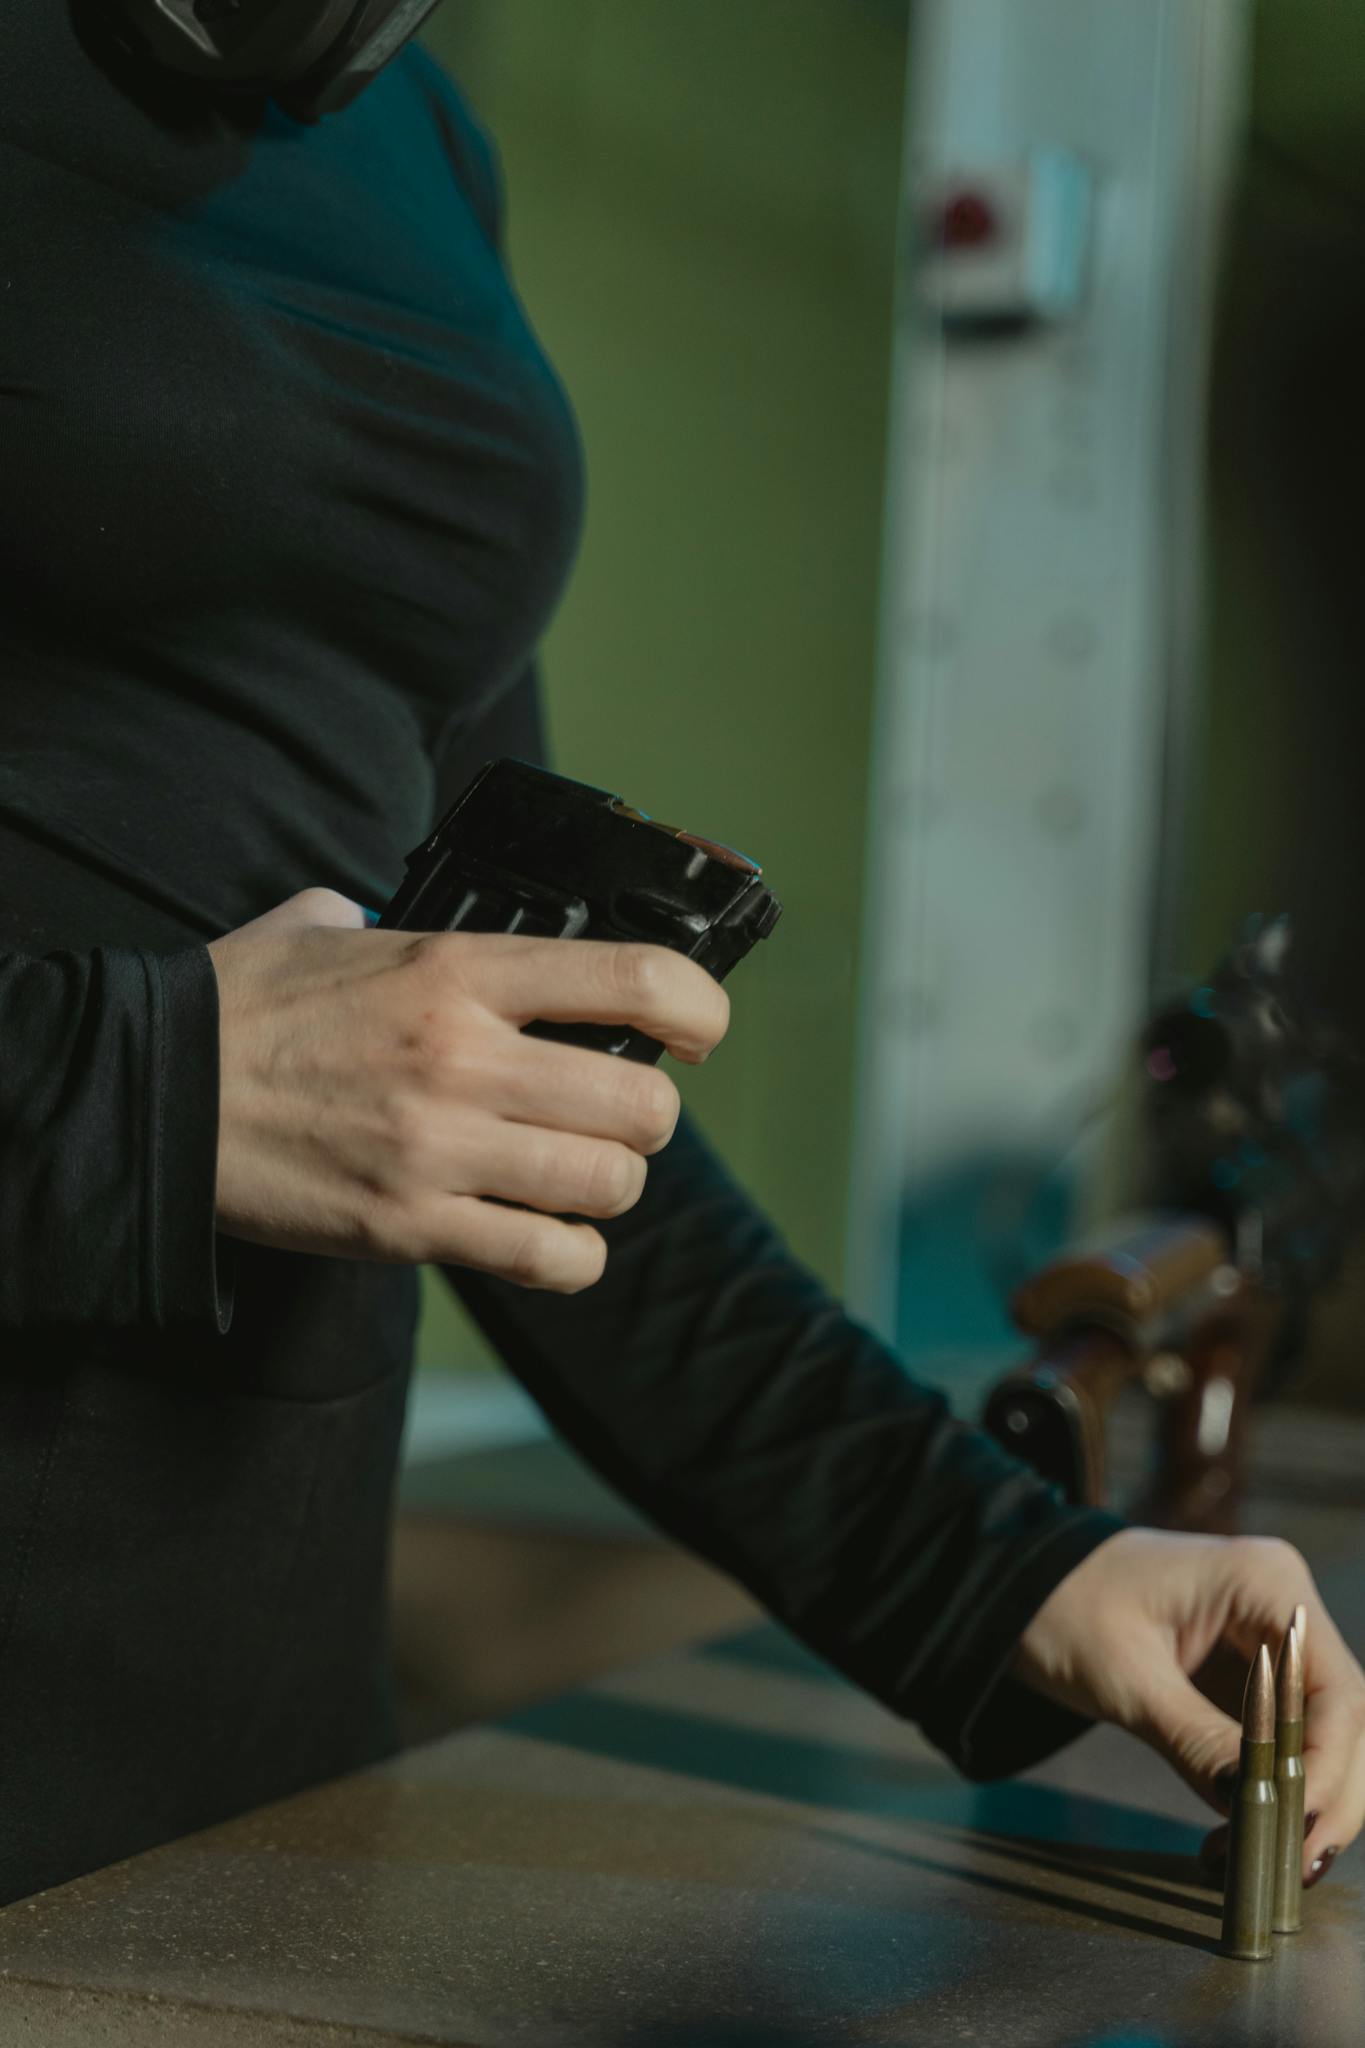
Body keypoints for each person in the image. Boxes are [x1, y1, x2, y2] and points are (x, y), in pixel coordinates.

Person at [1, 3, 1361, 1910]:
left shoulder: (414, 146)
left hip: (252, 1741)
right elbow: (238, 1079)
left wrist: (997, 1567)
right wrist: (149, 1094)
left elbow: (513, 1075)